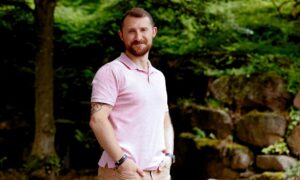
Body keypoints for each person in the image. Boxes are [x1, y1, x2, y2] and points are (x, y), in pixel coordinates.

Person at [89, 7, 175, 180]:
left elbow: (165, 121)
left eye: (143, 30)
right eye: (131, 31)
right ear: (121, 35)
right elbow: (97, 120)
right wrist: (122, 161)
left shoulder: (159, 76)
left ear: (154, 32)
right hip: (123, 172)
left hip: (160, 172)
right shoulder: (111, 72)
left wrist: (169, 155)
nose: (138, 37)